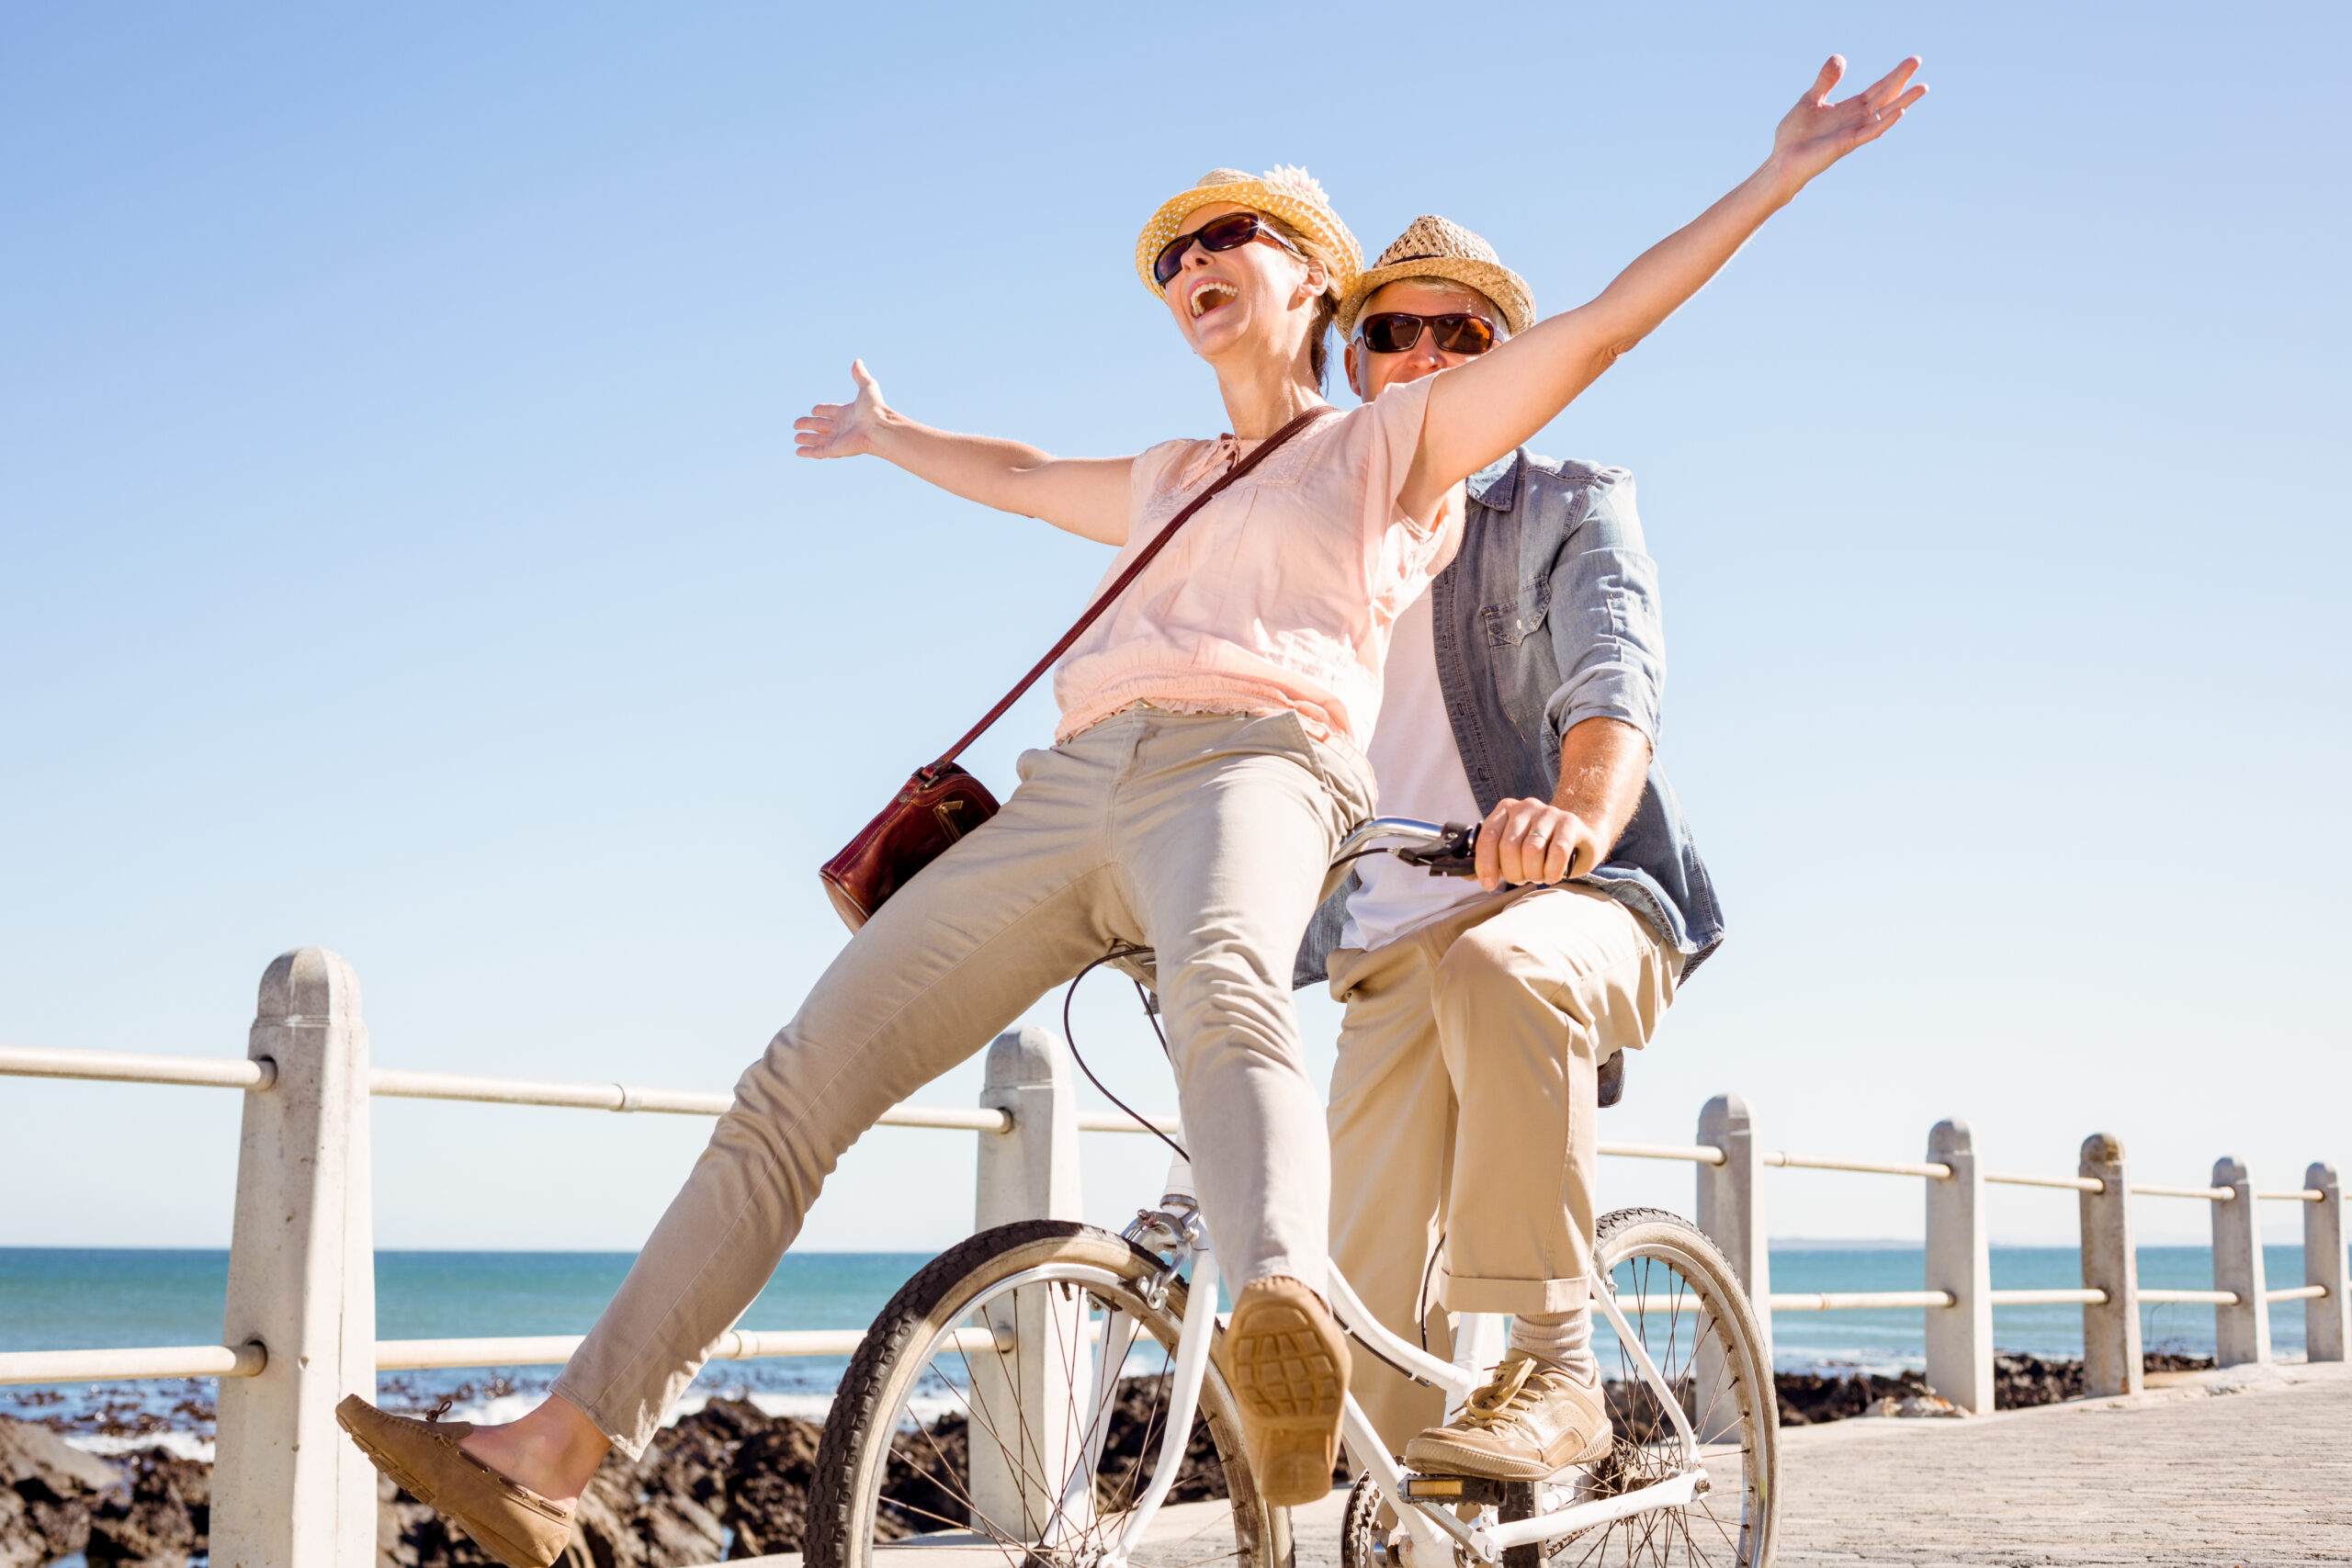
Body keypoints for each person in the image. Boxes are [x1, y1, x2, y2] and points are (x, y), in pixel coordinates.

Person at [335, 53, 1924, 1568]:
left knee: (1230, 988)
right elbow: (1026, 472)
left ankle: (1283, 1316)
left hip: (1254, 767)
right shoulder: (1171, 474)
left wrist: (1774, 176)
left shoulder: (1391, 445)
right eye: (1175, 253)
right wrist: (889, 437)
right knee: (795, 1081)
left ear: (1316, 282)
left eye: (1234, 236)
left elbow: (1602, 329)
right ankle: (557, 1448)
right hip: (1071, 789)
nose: (1196, 261)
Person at [1295, 215, 1722, 1483]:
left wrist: (1574, 814)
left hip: (1578, 901)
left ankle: (1560, 1366)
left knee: (1505, 968)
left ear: (1509, 361)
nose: (1426, 354)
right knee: (1366, 1354)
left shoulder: (1569, 503)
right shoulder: (1313, 536)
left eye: (1464, 333)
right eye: (1394, 330)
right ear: (1355, 362)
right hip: (1383, 949)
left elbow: (1614, 679)